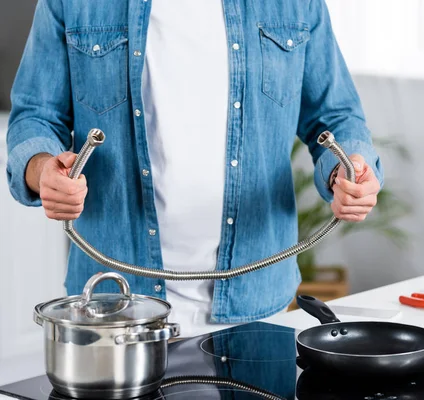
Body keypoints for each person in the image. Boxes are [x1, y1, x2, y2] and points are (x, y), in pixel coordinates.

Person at [6, 0, 384, 337]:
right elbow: (36, 117)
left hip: (257, 303)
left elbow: (334, 116)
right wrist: (42, 171)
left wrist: (345, 171)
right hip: (113, 306)